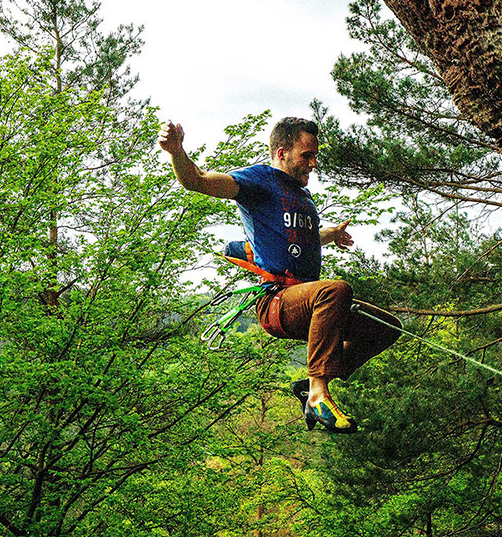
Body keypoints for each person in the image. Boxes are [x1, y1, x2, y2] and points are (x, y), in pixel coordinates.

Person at [159, 117, 401, 433]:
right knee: (335, 290)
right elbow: (198, 180)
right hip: (278, 302)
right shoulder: (259, 180)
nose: (313, 164)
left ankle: (309, 384)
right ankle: (318, 395)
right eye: (306, 155)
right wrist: (177, 152)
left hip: (308, 303)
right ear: (282, 152)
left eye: (315, 156)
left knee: (385, 328)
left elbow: (301, 235)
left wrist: (330, 235)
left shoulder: (303, 197)